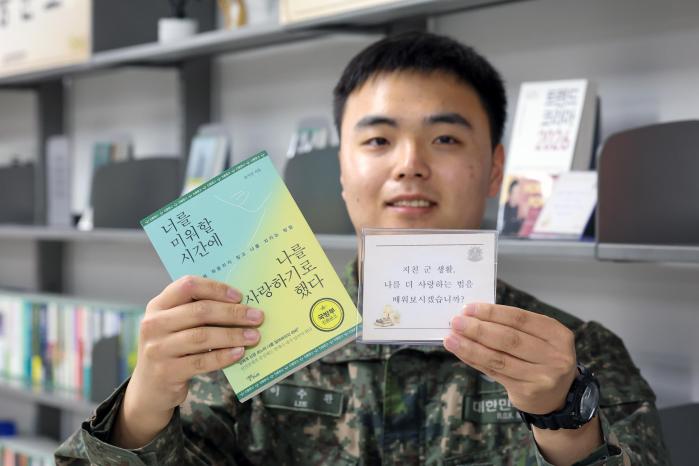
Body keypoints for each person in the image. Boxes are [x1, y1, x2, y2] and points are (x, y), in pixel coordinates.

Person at [56, 32, 669, 466]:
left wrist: (563, 416)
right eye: (378, 140)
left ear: (493, 170)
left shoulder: (575, 353)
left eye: (446, 138)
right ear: (342, 171)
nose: (410, 165)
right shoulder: (251, 336)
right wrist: (143, 406)